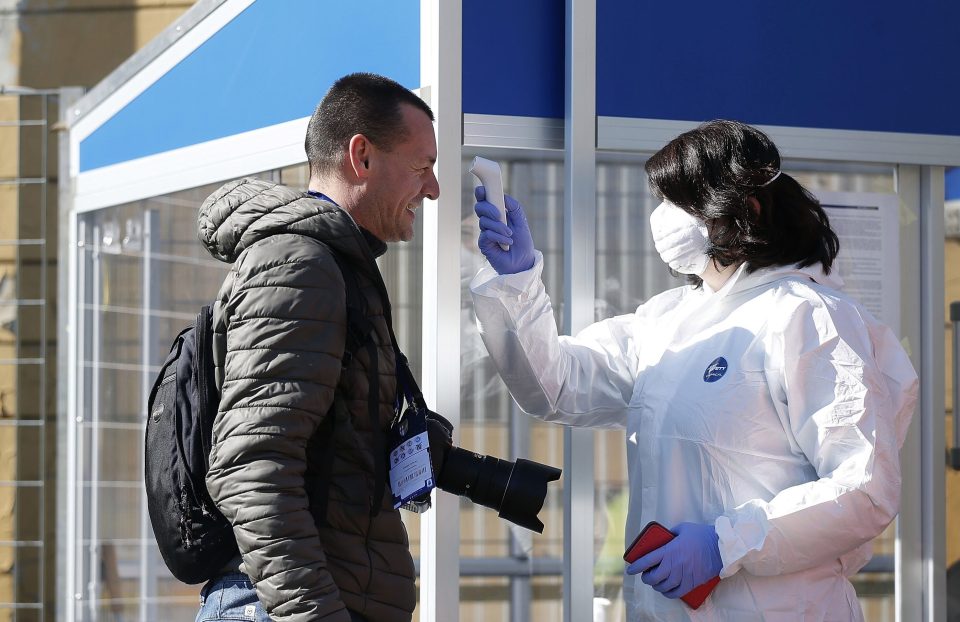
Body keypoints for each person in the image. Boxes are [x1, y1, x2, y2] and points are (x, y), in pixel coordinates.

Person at [469, 119, 918, 620]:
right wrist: (518, 284)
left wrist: (725, 545)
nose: (663, 217)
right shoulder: (668, 320)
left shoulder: (810, 317)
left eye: (679, 200)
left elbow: (864, 487)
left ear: (743, 209)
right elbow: (554, 387)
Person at [195, 72, 439, 622]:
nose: (433, 188)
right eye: (422, 167)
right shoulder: (301, 265)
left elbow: (346, 442)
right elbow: (252, 465)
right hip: (281, 605)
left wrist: (489, 479)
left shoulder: (334, 266)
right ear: (362, 157)